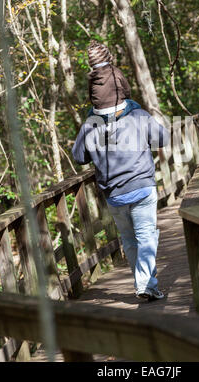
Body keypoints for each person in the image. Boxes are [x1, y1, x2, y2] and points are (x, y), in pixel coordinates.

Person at [72, 41, 169, 301]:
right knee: (146, 235)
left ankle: (144, 283)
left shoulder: (90, 123)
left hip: (113, 194)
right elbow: (163, 138)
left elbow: (79, 156)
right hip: (142, 186)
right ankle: (146, 284)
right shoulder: (136, 114)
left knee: (129, 239)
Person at [87, 40, 131, 114]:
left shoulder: (91, 76)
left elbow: (91, 96)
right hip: (119, 109)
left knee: (90, 114)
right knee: (135, 105)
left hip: (100, 112)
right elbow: (127, 90)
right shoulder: (116, 71)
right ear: (107, 57)